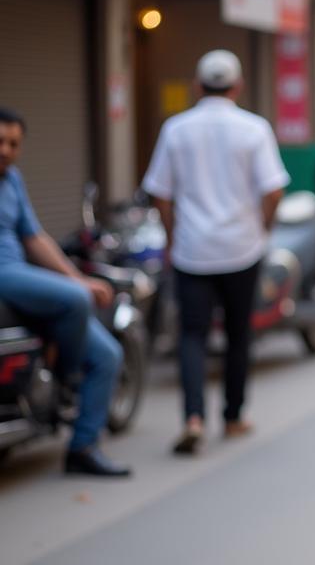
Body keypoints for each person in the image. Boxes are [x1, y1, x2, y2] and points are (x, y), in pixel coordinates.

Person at [143, 50, 289, 455]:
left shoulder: (175, 129)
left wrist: (173, 238)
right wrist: (262, 227)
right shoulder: (254, 128)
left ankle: (193, 417)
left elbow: (161, 194)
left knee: (192, 334)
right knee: (238, 333)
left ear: (197, 85)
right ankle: (233, 415)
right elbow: (274, 189)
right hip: (242, 248)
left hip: (192, 251)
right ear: (238, 86)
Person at [0, 108, 130, 476]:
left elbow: (34, 237)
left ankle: (83, 449)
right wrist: (78, 287)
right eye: (0, 141)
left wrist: (76, 276)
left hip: (19, 273)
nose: (5, 150)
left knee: (107, 355)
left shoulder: (13, 181)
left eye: (13, 144)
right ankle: (67, 378)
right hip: (4, 275)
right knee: (77, 299)